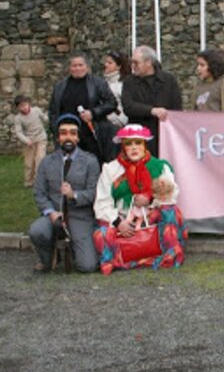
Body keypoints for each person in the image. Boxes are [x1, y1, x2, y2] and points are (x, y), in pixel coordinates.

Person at [93, 124, 187, 274]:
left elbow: (171, 195)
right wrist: (119, 223)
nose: (134, 147)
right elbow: (102, 203)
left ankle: (168, 255)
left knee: (170, 211)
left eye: (138, 142)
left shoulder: (160, 167)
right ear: (123, 146)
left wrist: (150, 201)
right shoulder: (110, 169)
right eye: (129, 144)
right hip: (123, 219)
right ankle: (118, 260)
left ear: (145, 145)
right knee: (102, 232)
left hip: (151, 215)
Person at [29, 114, 100, 273]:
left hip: (80, 216)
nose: (68, 137)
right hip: (53, 214)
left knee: (88, 266)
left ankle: (76, 248)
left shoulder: (90, 161)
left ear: (78, 138)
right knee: (37, 231)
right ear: (58, 137)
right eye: (63, 133)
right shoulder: (47, 162)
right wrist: (50, 212)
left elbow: (93, 193)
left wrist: (73, 195)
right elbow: (39, 193)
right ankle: (47, 259)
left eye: (72, 133)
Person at [49, 52, 118, 163]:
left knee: (93, 164)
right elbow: (53, 110)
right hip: (68, 134)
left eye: (81, 65)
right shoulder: (60, 86)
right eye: (74, 65)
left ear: (87, 67)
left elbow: (111, 103)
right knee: (69, 165)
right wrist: (56, 130)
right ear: (69, 68)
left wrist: (93, 113)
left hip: (91, 133)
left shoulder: (98, 83)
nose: (78, 68)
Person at [121, 45, 182, 157]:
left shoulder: (169, 80)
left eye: (136, 63)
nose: (133, 66)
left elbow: (177, 108)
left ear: (148, 62)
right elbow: (128, 106)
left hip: (163, 134)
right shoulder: (129, 81)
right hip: (139, 136)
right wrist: (151, 111)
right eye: (132, 62)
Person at [13, 94, 48, 188]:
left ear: (29, 103)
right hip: (29, 143)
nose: (24, 107)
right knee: (29, 163)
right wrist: (26, 140)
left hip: (41, 139)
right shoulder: (18, 118)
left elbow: (45, 118)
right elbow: (18, 132)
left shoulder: (36, 110)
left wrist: (48, 119)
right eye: (21, 106)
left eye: (25, 104)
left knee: (40, 160)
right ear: (17, 108)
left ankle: (39, 181)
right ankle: (29, 181)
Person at [103, 51, 130, 128]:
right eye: (106, 62)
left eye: (110, 63)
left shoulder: (123, 85)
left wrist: (121, 120)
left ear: (119, 66)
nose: (106, 65)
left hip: (118, 126)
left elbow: (128, 106)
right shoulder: (102, 83)